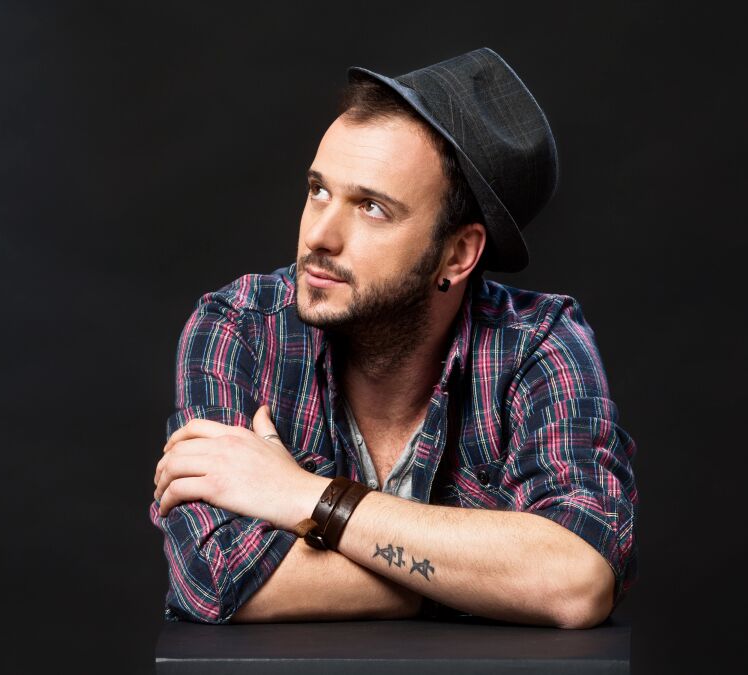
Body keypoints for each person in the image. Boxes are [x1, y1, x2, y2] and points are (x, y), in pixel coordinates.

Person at [149, 47, 638, 629]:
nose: (320, 236)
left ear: (457, 255)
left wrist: (304, 494)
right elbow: (213, 578)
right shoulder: (242, 327)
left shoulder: (538, 344)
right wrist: (476, 582)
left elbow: (575, 580)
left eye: (372, 208)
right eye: (318, 190)